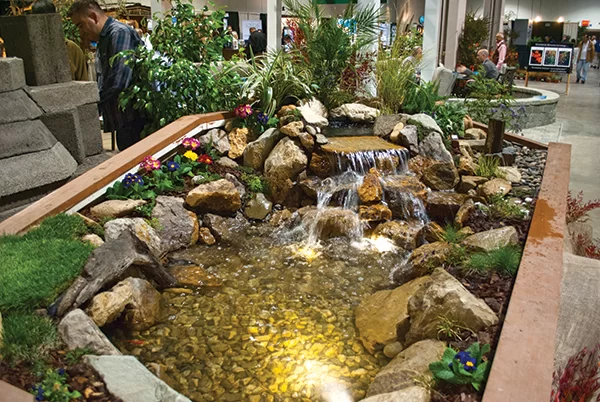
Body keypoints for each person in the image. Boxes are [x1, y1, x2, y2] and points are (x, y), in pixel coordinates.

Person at [68, 0, 144, 150]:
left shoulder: (118, 33)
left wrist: (95, 104)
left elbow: (119, 80)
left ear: (92, 16)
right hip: (124, 122)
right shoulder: (105, 38)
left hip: (134, 121)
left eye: (81, 25)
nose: (81, 32)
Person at [31, 0, 89, 81]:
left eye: (49, 21)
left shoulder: (72, 49)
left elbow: (84, 83)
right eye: (39, 21)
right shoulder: (30, 52)